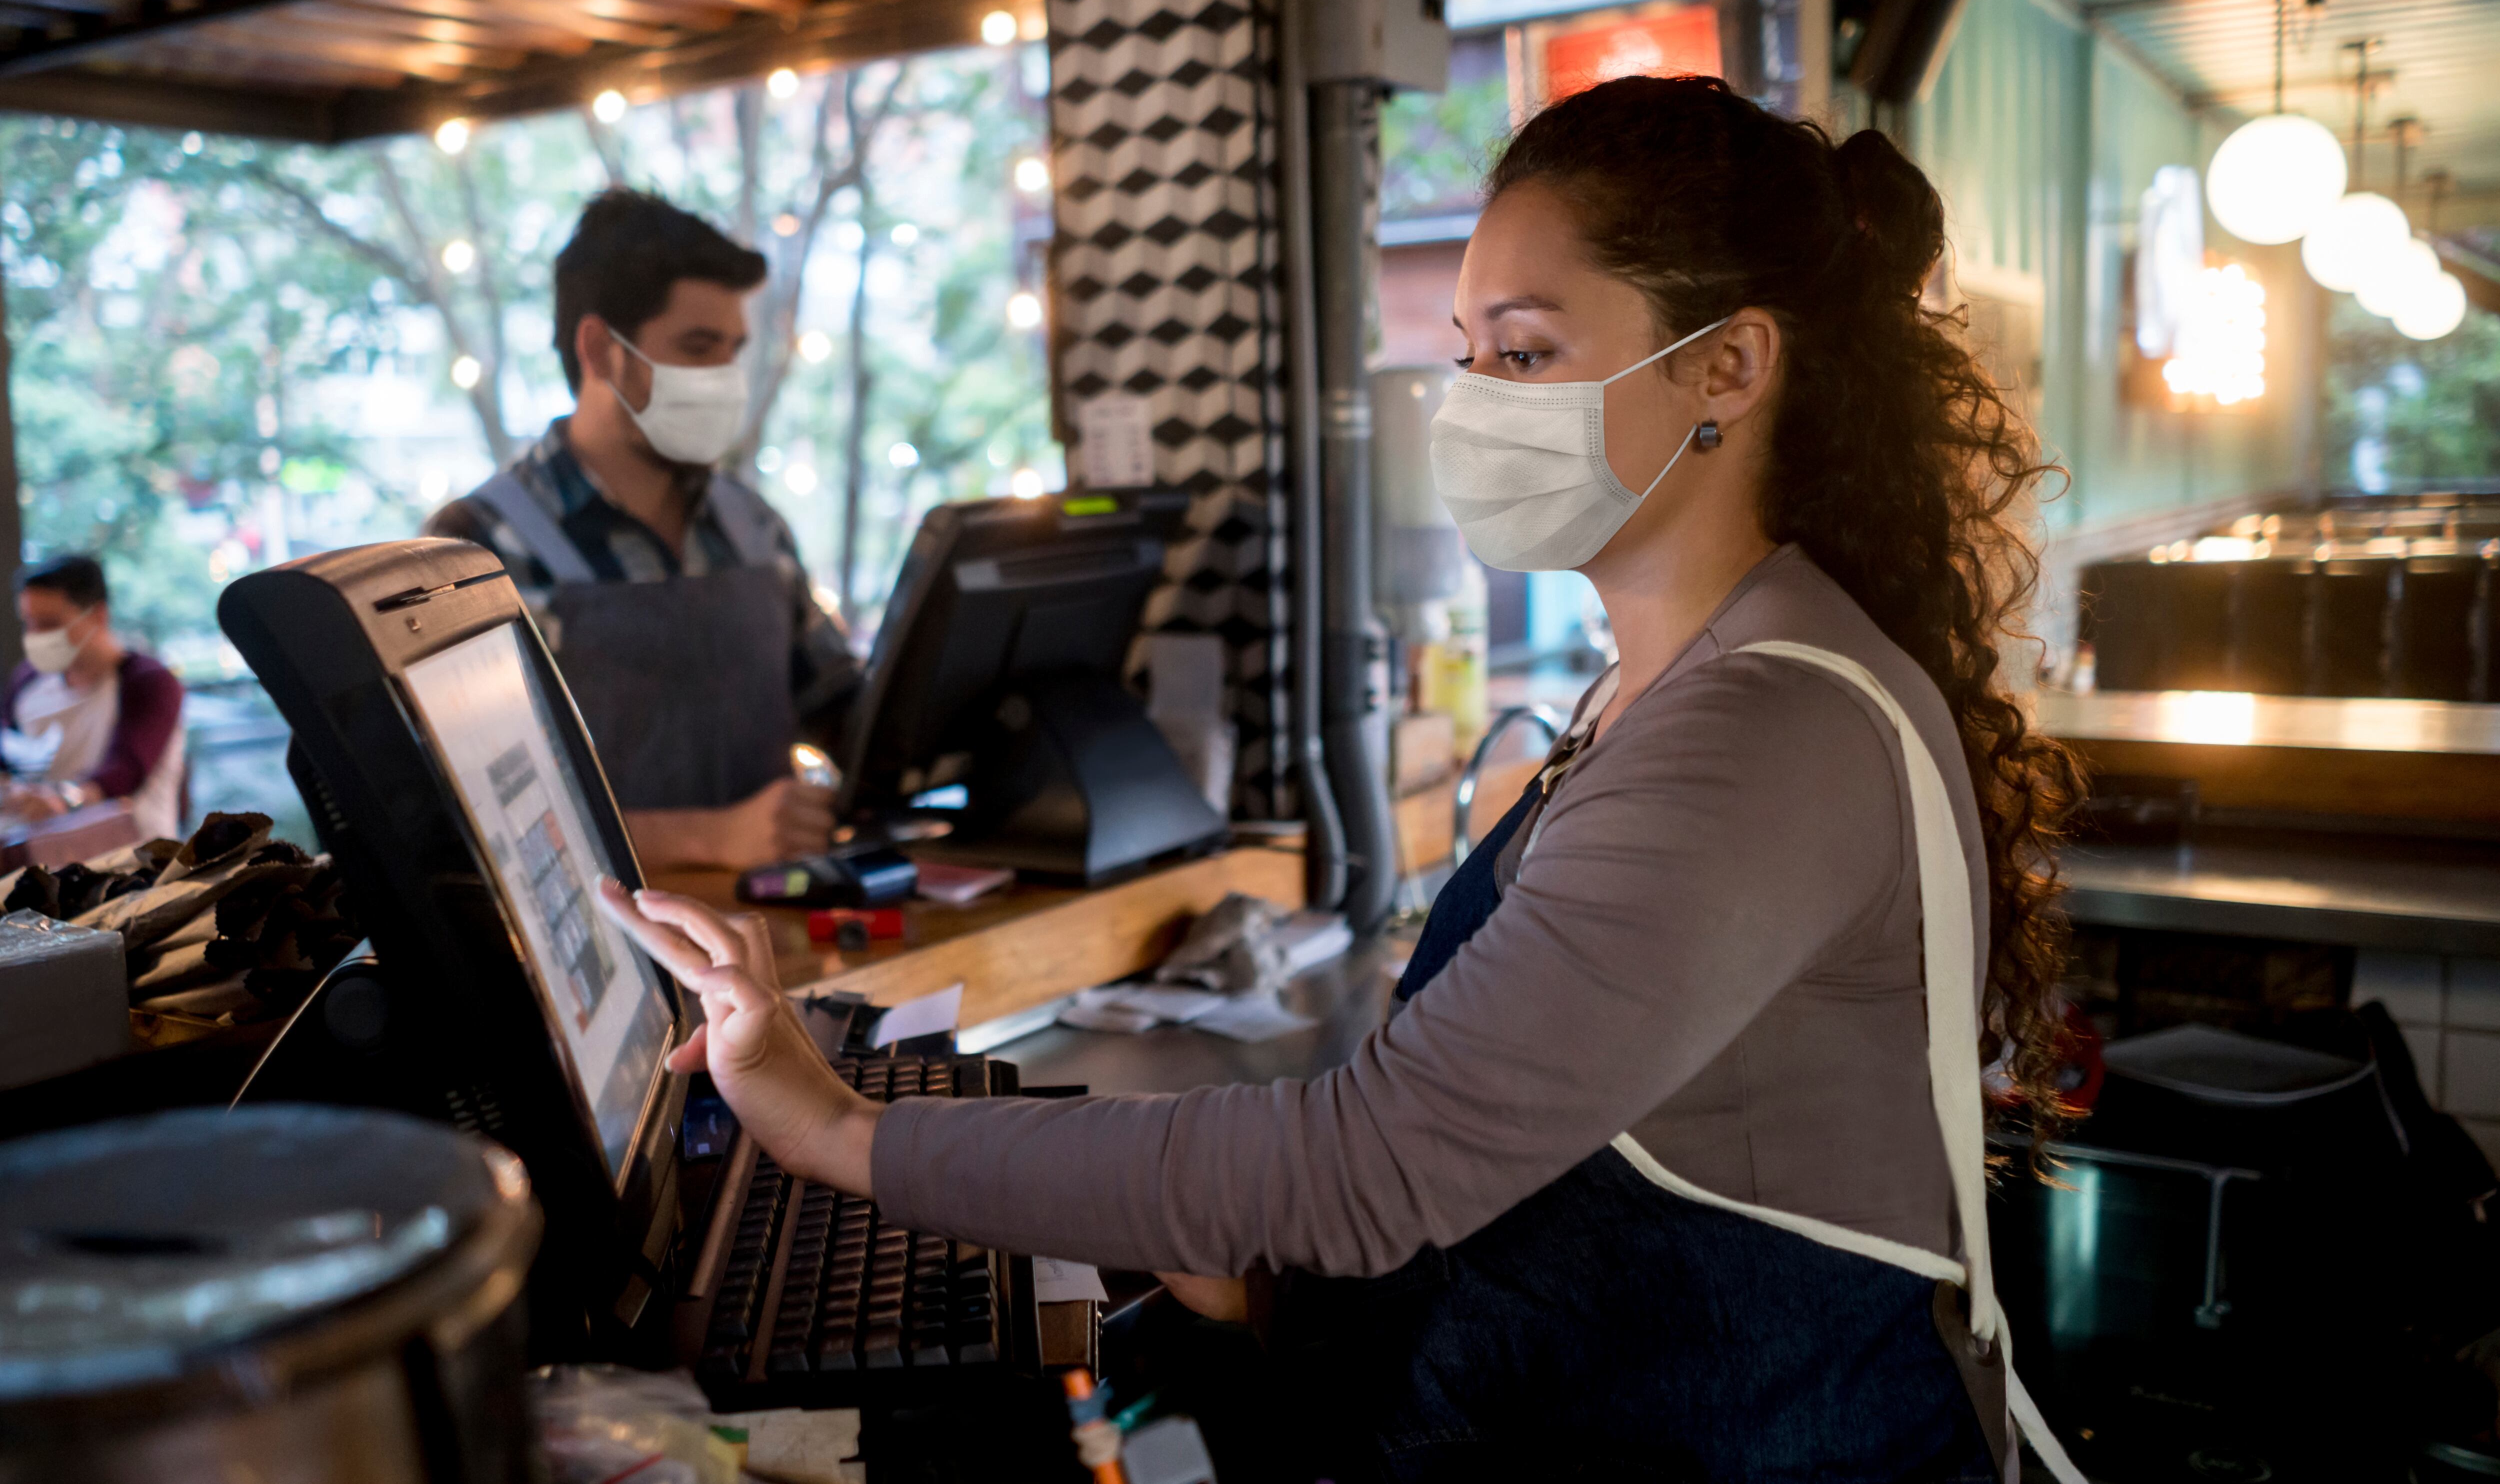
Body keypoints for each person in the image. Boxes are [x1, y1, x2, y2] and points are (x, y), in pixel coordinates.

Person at [599, 77, 2090, 1480]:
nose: (1473, 400)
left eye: (1524, 351)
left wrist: (839, 1130)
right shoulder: (1679, 676)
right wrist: (1212, 1226)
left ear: (1728, 364)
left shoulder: (1758, 729)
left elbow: (1372, 1164)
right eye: (1466, 352)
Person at [429, 190, 860, 872]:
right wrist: (710, 840)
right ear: (603, 350)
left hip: (779, 952)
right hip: (595, 969)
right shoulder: (476, 551)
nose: (724, 377)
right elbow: (461, 820)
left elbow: (845, 714)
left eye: (733, 351)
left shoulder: (756, 529)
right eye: (697, 348)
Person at [4, 554, 186, 843]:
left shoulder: (148, 682)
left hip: (137, 862)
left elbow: (127, 771)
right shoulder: (27, 681)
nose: (36, 636)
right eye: (30, 623)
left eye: (50, 624)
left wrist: (64, 800)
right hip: (48, 864)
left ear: (98, 616)